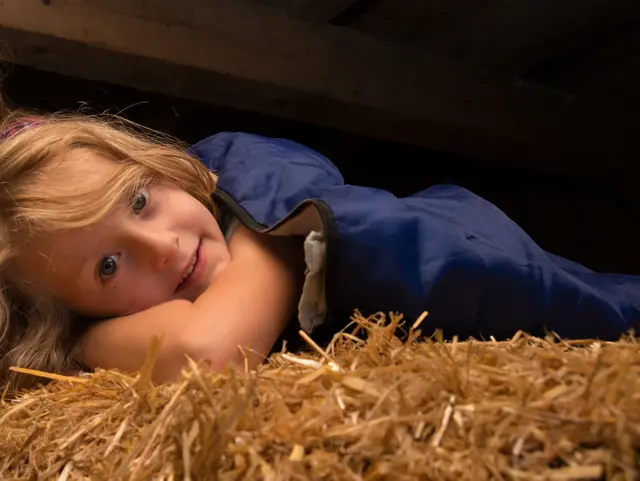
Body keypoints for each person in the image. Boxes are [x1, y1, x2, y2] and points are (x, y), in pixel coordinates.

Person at [0, 100, 638, 392]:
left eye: (139, 199)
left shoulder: (245, 174)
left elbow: (209, 352)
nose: (161, 247)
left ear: (158, 166)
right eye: (109, 265)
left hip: (600, 312)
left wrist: (80, 346)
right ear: (78, 304)